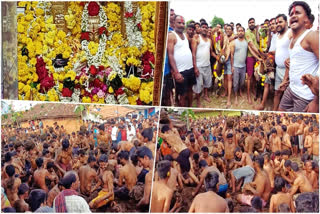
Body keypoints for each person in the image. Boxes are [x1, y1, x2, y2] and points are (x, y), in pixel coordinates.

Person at [279, 1, 319, 112]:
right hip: (291, 89)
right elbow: (296, 61)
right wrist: (285, 80)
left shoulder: (312, 36)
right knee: (280, 114)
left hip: (305, 97)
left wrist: (316, 101)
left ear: (306, 18)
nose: (293, 16)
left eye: (298, 13)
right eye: (291, 14)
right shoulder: (293, 39)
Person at [167, 15, 196, 107]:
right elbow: (170, 55)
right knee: (182, 95)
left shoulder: (185, 36)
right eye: (179, 23)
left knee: (190, 90)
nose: (181, 25)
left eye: (183, 23)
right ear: (174, 23)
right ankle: (182, 108)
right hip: (181, 71)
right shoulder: (171, 36)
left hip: (190, 69)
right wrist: (176, 72)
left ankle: (190, 106)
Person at [191, 22, 213, 107]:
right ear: (200, 28)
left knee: (207, 82)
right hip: (199, 66)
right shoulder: (196, 38)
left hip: (207, 65)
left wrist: (219, 57)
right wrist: (195, 67)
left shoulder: (209, 40)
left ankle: (205, 95)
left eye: (206, 27)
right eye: (203, 27)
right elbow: (193, 54)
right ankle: (198, 101)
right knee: (198, 85)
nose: (204, 28)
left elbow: (211, 52)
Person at [245, 18, 263, 104]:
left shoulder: (255, 32)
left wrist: (257, 30)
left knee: (255, 76)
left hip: (257, 57)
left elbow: (258, 41)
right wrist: (260, 53)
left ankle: (253, 89)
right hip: (250, 57)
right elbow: (251, 45)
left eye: (253, 22)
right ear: (248, 24)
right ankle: (248, 95)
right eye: (250, 22)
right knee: (249, 76)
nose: (252, 24)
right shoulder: (247, 33)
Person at [230, 26, 248, 105]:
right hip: (236, 66)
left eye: (242, 31)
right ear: (237, 32)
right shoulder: (234, 42)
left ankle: (240, 91)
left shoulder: (246, 42)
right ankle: (236, 96)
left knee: (242, 82)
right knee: (235, 82)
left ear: (244, 32)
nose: (240, 32)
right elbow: (231, 55)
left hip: (243, 66)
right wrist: (232, 66)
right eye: (239, 31)